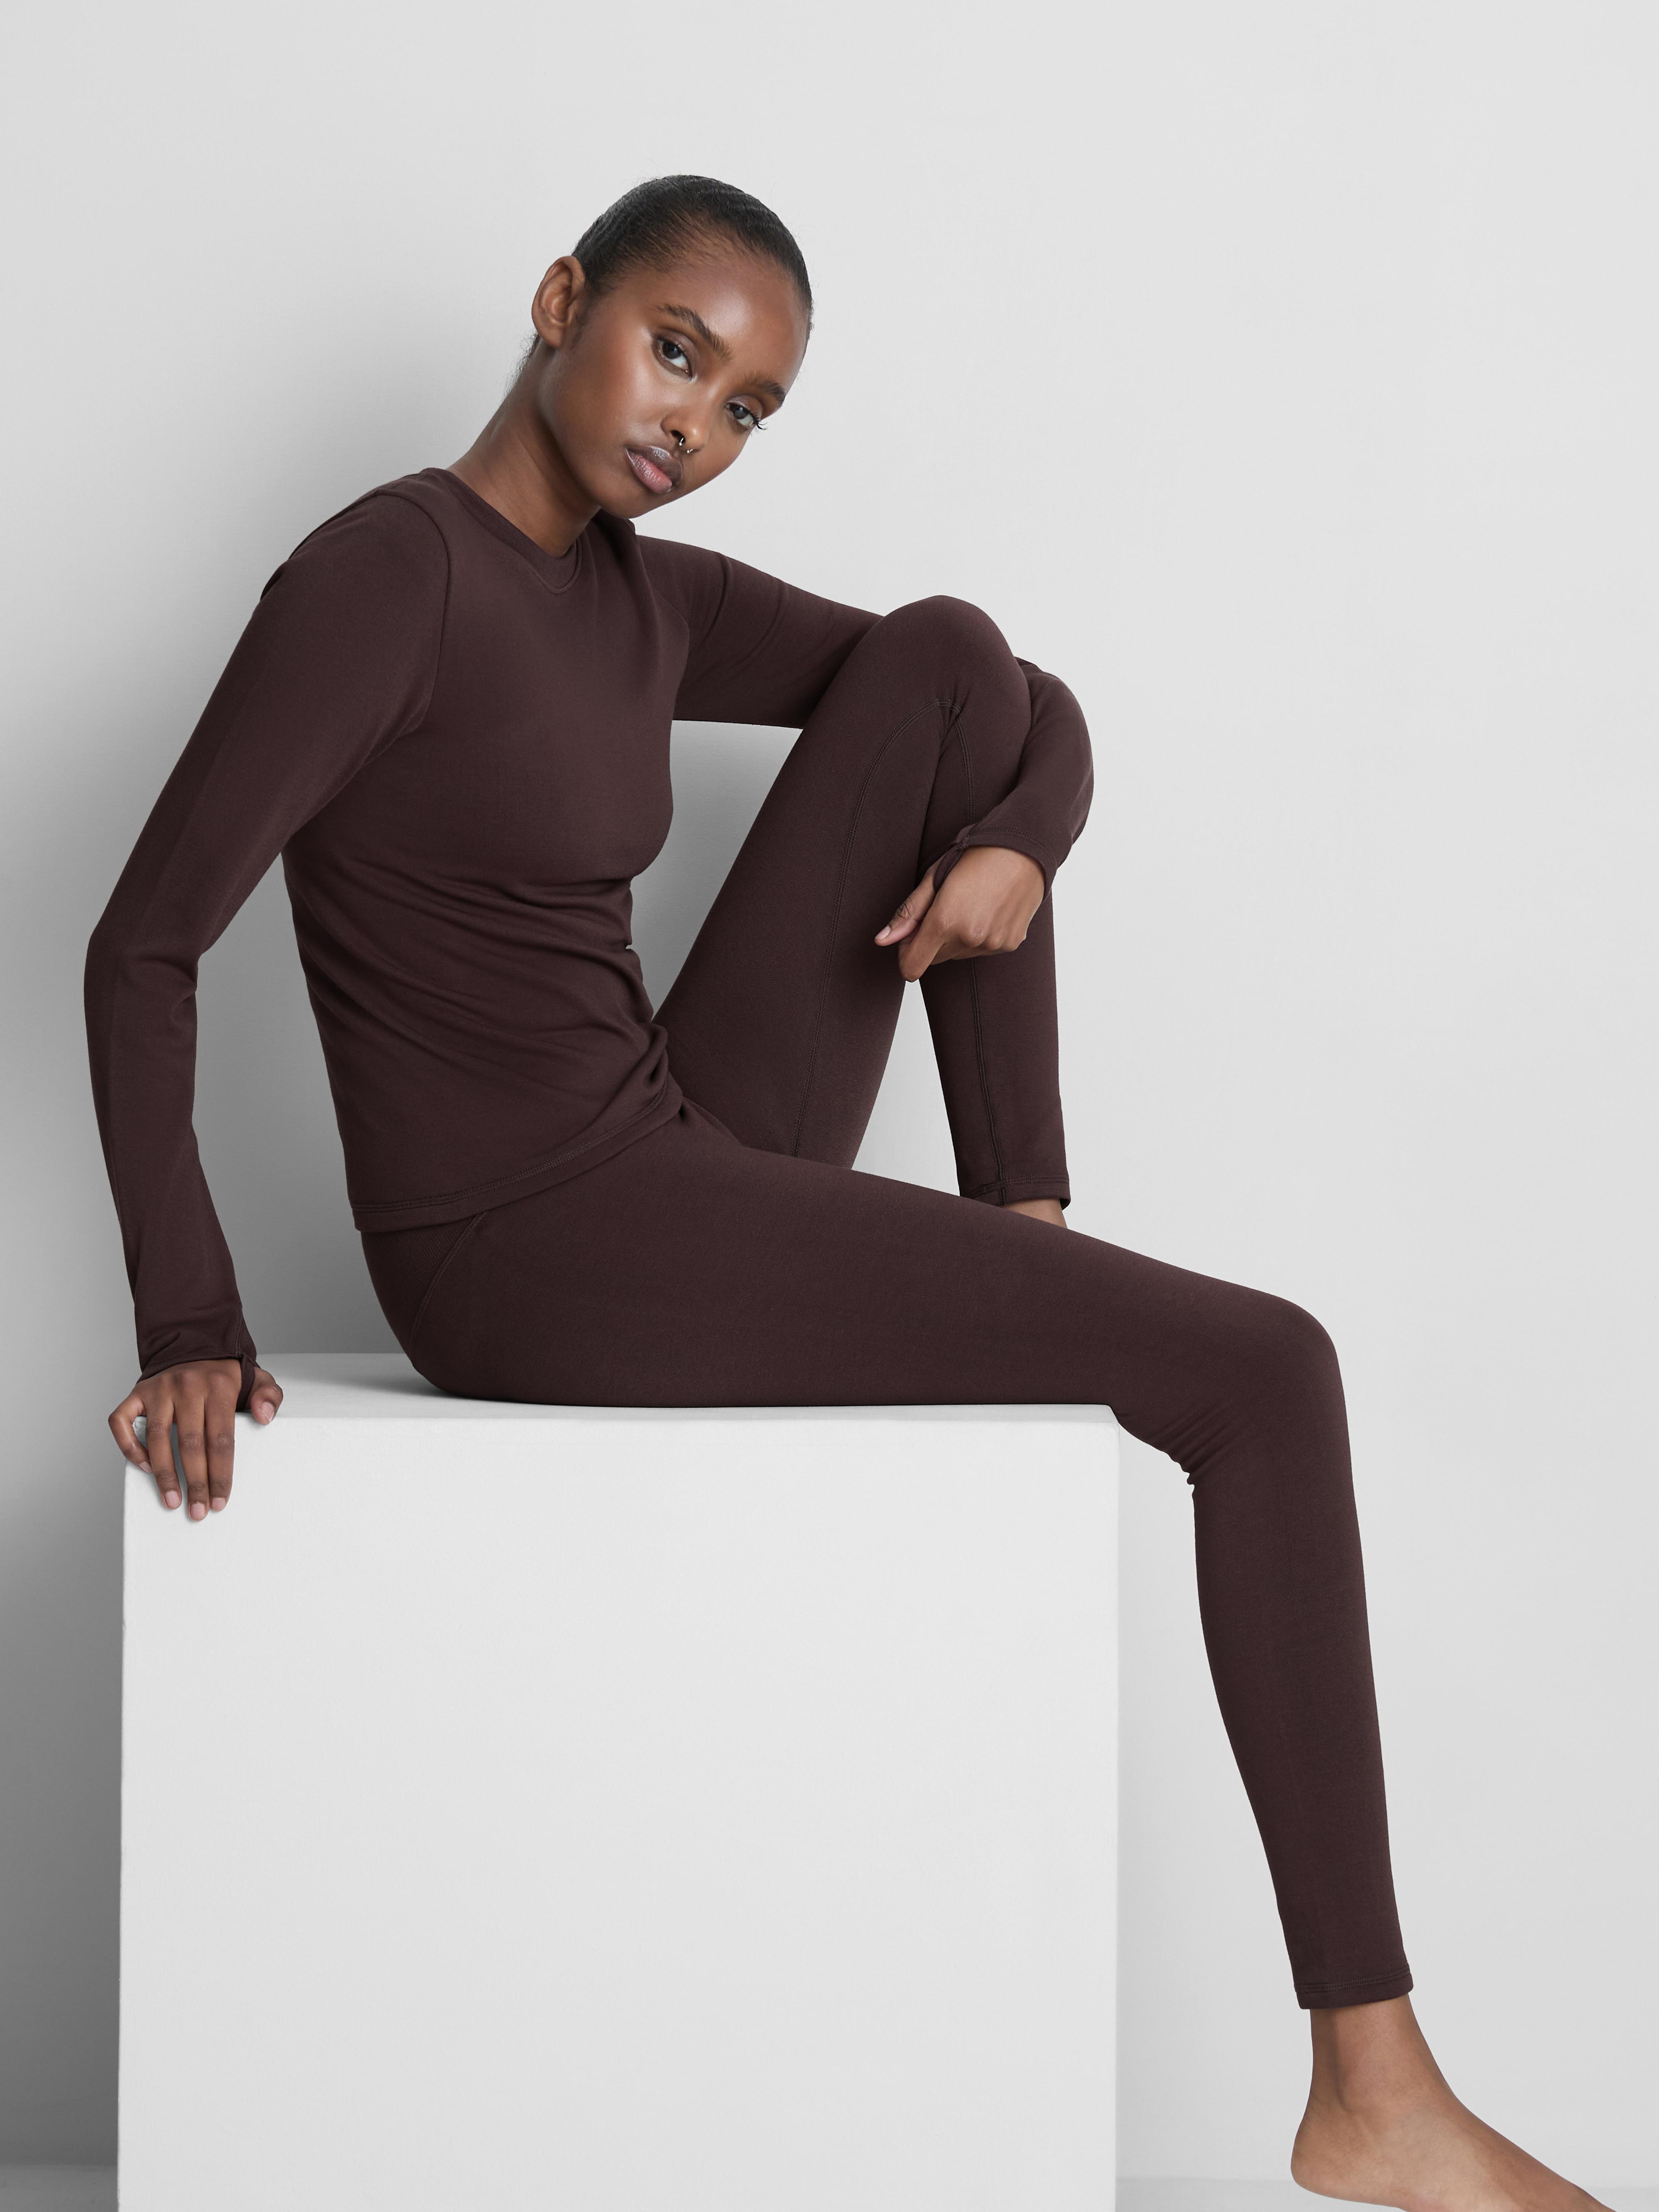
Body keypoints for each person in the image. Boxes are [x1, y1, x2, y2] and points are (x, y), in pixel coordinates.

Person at [85, 175, 1603, 2212]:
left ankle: (1023, 1237)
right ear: (561, 298)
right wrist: (187, 1312)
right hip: (518, 1249)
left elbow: (1009, 699)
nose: (693, 424)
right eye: (675, 353)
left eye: (747, 408)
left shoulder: (644, 597)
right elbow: (144, 941)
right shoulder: (388, 577)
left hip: (664, 1145)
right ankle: (1375, 2087)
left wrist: (1025, 841)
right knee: (1267, 1369)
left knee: (949, 657)